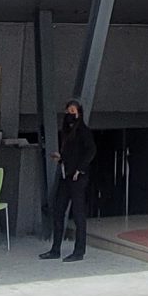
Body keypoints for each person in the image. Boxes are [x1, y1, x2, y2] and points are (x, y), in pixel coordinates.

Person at [39, 99, 96, 262]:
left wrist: (80, 169)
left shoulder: (83, 131)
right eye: (67, 111)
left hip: (78, 177)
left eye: (73, 111)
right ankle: (55, 249)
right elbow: (72, 153)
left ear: (79, 113)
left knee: (78, 215)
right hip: (66, 175)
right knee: (58, 210)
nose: (69, 115)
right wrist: (61, 158)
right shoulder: (66, 131)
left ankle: (79, 251)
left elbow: (91, 150)